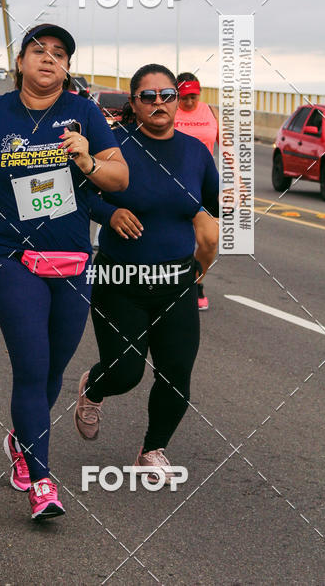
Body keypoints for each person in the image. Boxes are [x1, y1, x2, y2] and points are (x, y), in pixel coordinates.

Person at [0, 24, 129, 521]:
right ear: (22, 62)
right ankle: (41, 482)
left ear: (67, 67)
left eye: (59, 54)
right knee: (31, 367)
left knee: (53, 369)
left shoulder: (84, 113)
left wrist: (86, 159)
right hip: (13, 257)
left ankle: (21, 438)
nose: (48, 59)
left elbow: (120, 177)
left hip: (72, 261)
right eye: (38, 51)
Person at [75, 63, 218, 485]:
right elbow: (80, 195)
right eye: (149, 96)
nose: (160, 103)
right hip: (121, 281)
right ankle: (94, 387)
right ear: (133, 104)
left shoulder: (195, 152)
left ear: (178, 101)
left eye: (167, 95)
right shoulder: (114, 145)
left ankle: (152, 450)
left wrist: (209, 237)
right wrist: (111, 211)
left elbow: (211, 205)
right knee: (126, 372)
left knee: (176, 379)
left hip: (176, 283)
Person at [174, 73, 219, 311]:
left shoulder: (210, 111)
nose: (189, 102)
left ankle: (196, 282)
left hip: (204, 185)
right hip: (173, 185)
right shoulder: (169, 111)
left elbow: (227, 145)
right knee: (175, 240)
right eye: (184, 97)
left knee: (209, 240)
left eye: (193, 97)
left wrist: (238, 178)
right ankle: (173, 285)